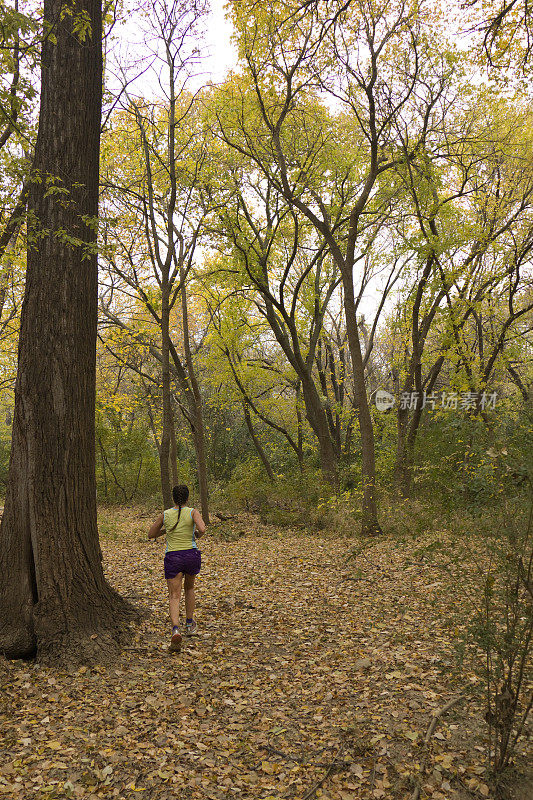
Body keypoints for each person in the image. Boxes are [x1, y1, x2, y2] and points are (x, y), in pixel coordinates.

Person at [148, 484, 207, 651]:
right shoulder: (192, 512)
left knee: (174, 595)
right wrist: (197, 534)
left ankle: (175, 629)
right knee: (189, 588)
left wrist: (165, 531)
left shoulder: (166, 514)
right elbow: (202, 528)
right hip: (191, 555)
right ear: (187, 498)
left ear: (173, 498)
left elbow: (150, 534)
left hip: (173, 556)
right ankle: (189, 624)